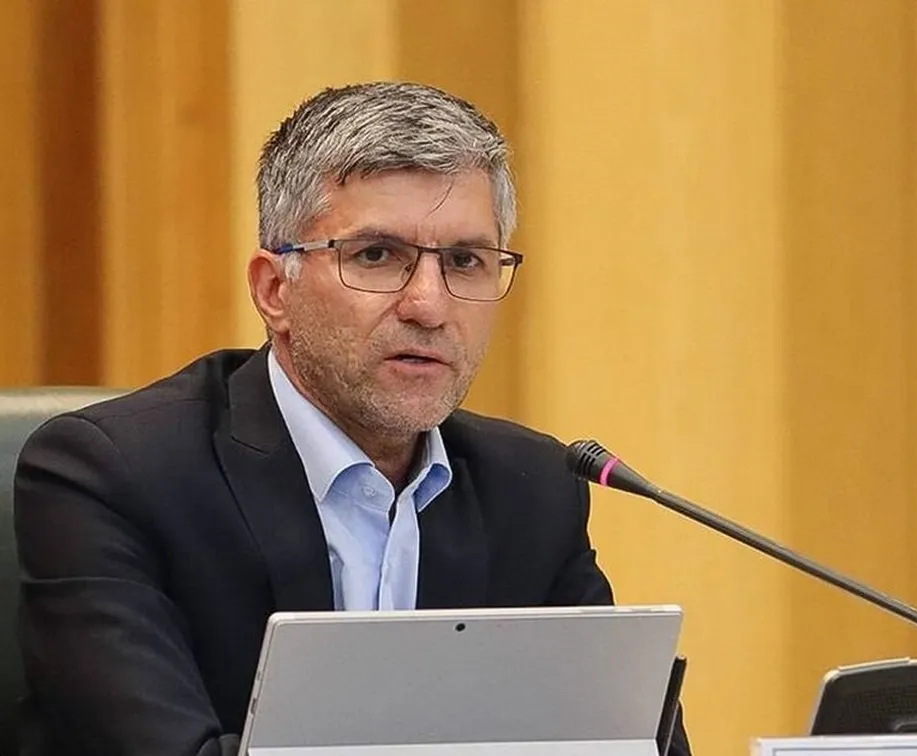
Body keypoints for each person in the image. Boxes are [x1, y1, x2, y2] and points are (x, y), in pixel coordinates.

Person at [13, 81, 691, 756]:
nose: (429, 306)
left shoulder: (533, 488)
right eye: (376, 255)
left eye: (465, 261)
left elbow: (628, 743)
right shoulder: (112, 475)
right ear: (274, 289)